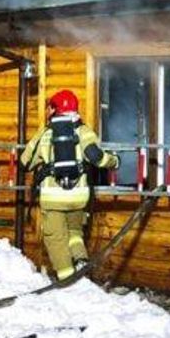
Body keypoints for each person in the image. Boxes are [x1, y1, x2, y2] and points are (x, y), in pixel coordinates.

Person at [21, 89, 119, 281]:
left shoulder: (45, 133)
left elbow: (25, 163)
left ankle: (67, 279)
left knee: (56, 239)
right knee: (75, 232)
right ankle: (81, 260)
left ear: (54, 109)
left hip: (53, 199)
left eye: (50, 107)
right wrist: (114, 161)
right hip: (78, 197)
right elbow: (96, 156)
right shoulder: (83, 131)